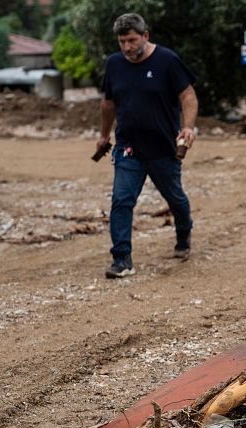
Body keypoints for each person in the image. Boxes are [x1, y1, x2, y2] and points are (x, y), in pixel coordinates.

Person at [97, 13, 198, 278]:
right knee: (121, 200)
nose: (127, 47)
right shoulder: (114, 64)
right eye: (122, 42)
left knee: (175, 199)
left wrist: (187, 127)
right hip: (128, 147)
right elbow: (108, 103)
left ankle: (183, 235)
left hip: (164, 148)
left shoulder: (167, 60)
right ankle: (121, 260)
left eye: (132, 40)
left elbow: (188, 96)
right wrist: (104, 134)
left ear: (145, 35)